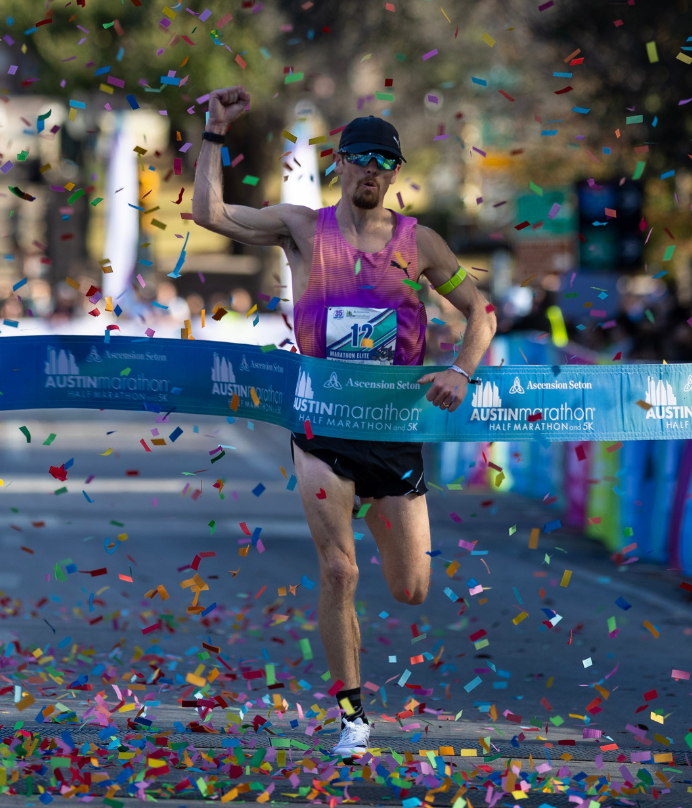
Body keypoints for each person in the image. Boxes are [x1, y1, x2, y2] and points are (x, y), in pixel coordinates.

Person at [192, 87, 496, 757]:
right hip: (322, 428)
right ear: (340, 166)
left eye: (381, 161)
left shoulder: (421, 244)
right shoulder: (303, 229)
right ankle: (353, 715)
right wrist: (214, 132)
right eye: (358, 158)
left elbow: (482, 313)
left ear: (393, 173)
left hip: (391, 433)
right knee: (339, 572)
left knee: (410, 588)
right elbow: (208, 212)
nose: (369, 170)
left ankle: (358, 695)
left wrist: (461, 372)